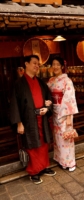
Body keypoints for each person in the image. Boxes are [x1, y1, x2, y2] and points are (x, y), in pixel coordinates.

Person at [10, 55, 56, 184]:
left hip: (42, 117)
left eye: (38, 64)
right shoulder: (18, 84)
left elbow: (48, 100)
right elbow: (14, 104)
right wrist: (19, 123)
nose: (37, 66)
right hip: (28, 120)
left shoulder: (41, 82)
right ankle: (34, 171)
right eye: (34, 63)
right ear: (26, 64)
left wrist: (47, 109)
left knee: (43, 143)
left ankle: (45, 166)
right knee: (32, 145)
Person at [47, 57, 78, 172]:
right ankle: (61, 160)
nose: (55, 67)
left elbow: (70, 99)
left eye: (57, 64)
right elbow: (47, 94)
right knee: (58, 138)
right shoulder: (51, 81)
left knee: (66, 138)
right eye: (53, 64)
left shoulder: (67, 81)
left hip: (65, 113)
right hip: (55, 112)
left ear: (62, 66)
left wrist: (69, 116)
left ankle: (70, 162)